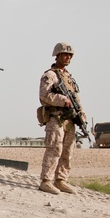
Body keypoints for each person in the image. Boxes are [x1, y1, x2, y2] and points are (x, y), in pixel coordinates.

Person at [38, 42, 84, 195]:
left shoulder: (68, 77)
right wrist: (62, 99)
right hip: (56, 118)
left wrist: (81, 112)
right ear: (57, 55)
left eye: (70, 55)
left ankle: (61, 179)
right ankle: (46, 180)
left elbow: (75, 98)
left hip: (69, 119)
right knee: (54, 149)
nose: (68, 57)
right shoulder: (50, 75)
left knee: (67, 151)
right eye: (65, 54)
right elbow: (44, 96)